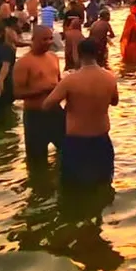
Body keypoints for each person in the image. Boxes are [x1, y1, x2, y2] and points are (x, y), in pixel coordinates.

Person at [43, 38, 120, 186]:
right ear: (98, 53)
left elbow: (47, 105)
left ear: (78, 55)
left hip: (76, 141)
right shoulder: (110, 78)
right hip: (102, 139)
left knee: (73, 188)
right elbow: (114, 102)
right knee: (103, 185)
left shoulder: (70, 80)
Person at [12, 26, 65, 162]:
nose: (48, 42)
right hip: (35, 115)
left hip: (56, 113)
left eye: (50, 38)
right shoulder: (23, 63)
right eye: (44, 39)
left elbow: (59, 83)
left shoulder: (54, 57)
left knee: (67, 152)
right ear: (33, 40)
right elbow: (16, 93)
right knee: (36, 160)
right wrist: (42, 89)